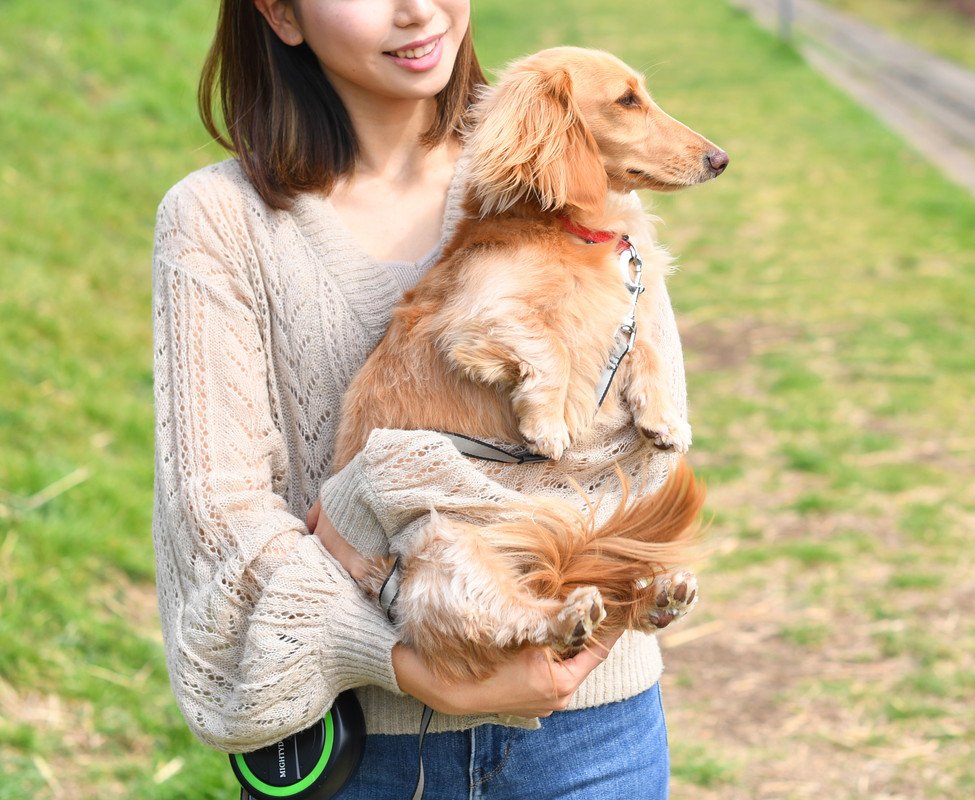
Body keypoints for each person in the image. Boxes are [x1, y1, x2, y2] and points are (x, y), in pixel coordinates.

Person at [151, 0, 689, 797]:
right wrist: (405, 660)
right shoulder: (218, 224)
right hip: (364, 753)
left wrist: (367, 507)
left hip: (592, 735)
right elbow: (217, 524)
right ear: (281, 14)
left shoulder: (575, 166)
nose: (417, 9)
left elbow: (644, 455)